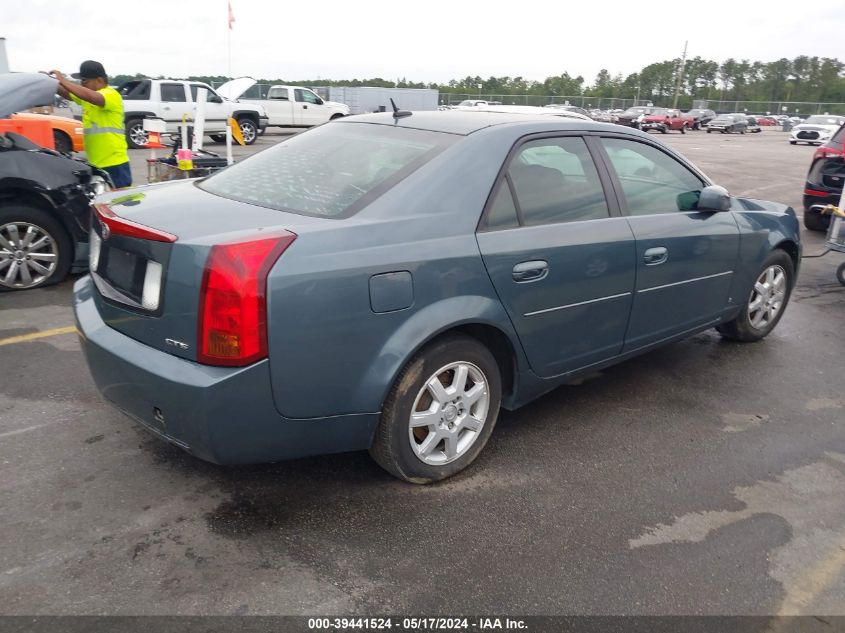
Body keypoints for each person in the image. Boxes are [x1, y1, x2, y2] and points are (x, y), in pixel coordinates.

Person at [49, 60, 132, 188]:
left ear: (99, 80)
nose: (82, 84)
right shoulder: (86, 98)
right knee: (101, 204)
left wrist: (64, 80)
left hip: (115, 163)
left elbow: (92, 97)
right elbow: (67, 93)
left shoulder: (111, 95)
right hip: (96, 163)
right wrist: (50, 82)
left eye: (85, 81)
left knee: (119, 203)